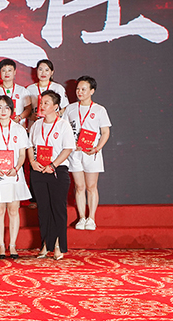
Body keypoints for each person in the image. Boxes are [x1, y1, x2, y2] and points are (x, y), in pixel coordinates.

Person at [29, 90, 75, 260]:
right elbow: (30, 146)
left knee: (58, 208)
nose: (42, 105)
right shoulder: (36, 125)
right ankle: (45, 243)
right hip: (39, 170)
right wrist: (32, 162)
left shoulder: (63, 125)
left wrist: (53, 165)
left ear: (56, 106)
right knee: (43, 209)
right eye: (41, 102)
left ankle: (58, 245)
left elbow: (68, 148)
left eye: (46, 103)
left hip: (57, 170)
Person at [0, 95, 31, 259]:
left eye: (7, 107)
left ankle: (13, 245)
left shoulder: (19, 129)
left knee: (13, 210)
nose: (3, 111)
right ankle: (1, 245)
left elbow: (22, 154)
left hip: (14, 174)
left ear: (12, 110)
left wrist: (16, 168)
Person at [64, 76, 111, 231]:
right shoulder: (70, 109)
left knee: (91, 186)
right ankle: (81, 218)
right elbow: (65, 130)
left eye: (83, 89)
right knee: (79, 186)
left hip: (92, 153)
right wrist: (71, 144)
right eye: (78, 89)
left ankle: (91, 218)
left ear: (92, 91)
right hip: (75, 153)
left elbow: (105, 132)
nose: (80, 92)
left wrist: (97, 148)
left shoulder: (99, 110)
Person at [0, 59, 31, 126]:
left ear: (14, 72)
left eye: (9, 70)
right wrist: (1, 119)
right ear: (0, 72)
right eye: (4, 70)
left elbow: (28, 108)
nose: (7, 73)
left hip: (18, 126)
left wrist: (20, 117)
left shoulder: (22, 90)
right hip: (0, 127)